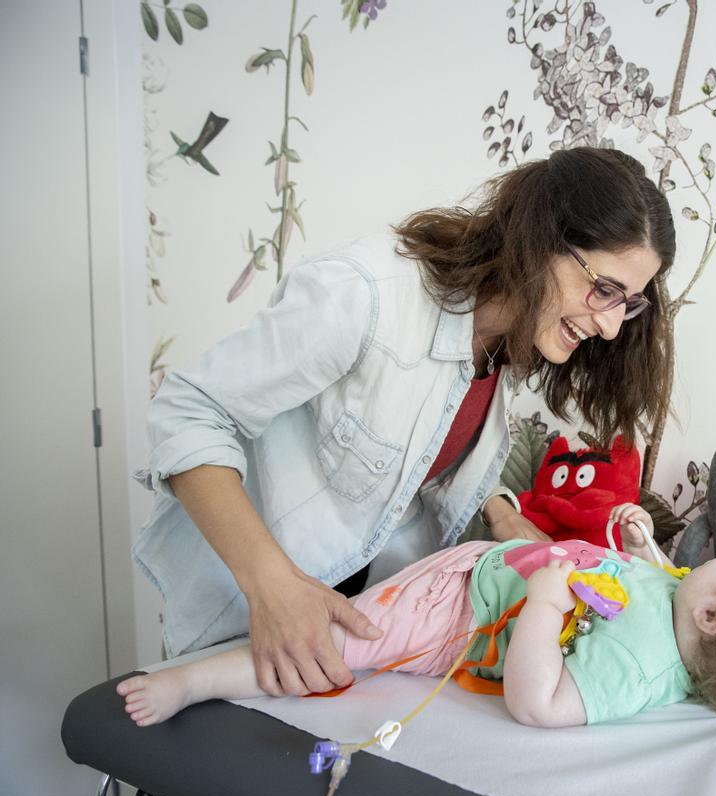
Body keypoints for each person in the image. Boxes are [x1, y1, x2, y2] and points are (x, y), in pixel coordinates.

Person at [133, 147, 676, 700]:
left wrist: (501, 514)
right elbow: (190, 412)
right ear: (541, 240)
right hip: (244, 614)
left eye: (627, 303)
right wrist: (270, 584)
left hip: (351, 631)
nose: (611, 327)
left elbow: (415, 445)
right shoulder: (364, 297)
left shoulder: (507, 341)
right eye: (604, 289)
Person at [118, 505, 716, 726]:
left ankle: (191, 682)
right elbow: (651, 582)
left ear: (714, 617)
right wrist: (643, 544)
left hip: (453, 612)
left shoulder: (639, 670)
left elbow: (538, 702)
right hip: (478, 571)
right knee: (344, 605)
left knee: (331, 645)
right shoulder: (681, 607)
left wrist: (545, 603)